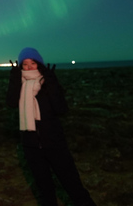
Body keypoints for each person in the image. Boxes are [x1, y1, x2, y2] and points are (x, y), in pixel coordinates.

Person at [6, 47, 96, 206]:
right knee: (45, 191)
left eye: (33, 63)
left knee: (73, 187)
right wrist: (14, 79)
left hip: (55, 144)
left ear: (40, 64)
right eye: (25, 64)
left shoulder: (48, 84)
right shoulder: (20, 85)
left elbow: (61, 109)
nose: (29, 67)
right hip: (31, 146)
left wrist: (52, 81)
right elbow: (11, 103)